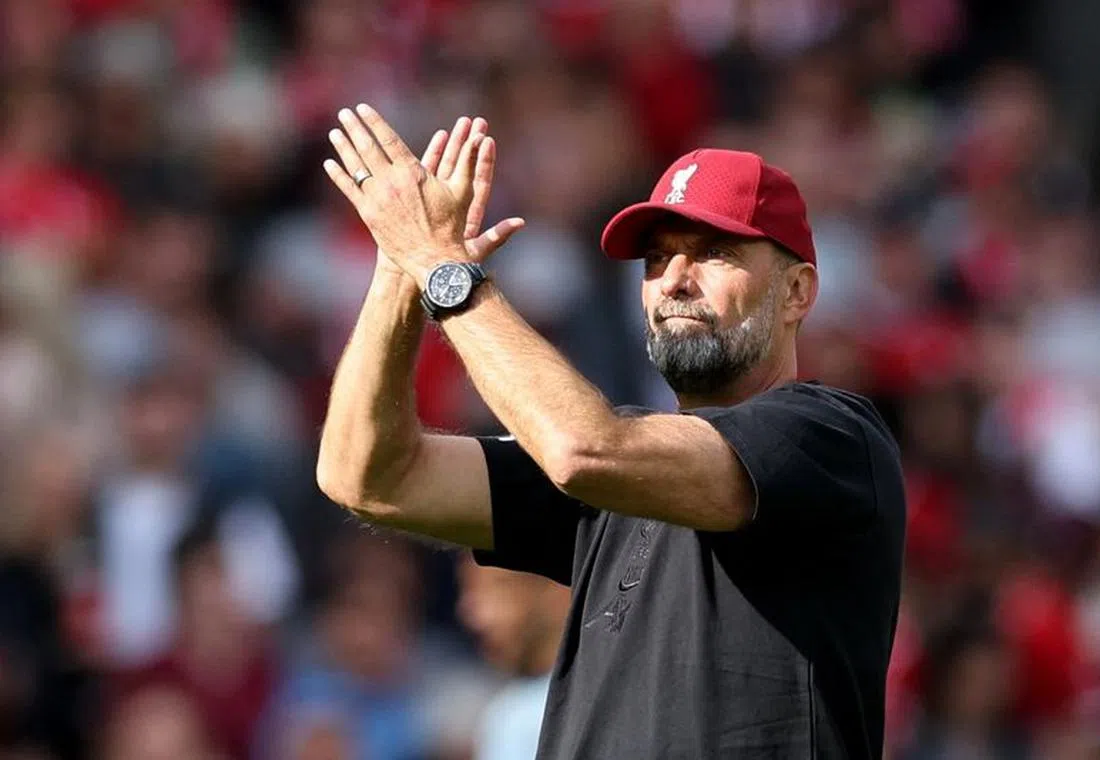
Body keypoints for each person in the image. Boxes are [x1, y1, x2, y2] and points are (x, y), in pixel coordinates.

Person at [315, 107, 906, 759]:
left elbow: (582, 450)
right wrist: (401, 270)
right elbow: (369, 476)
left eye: (714, 253)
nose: (675, 279)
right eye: (656, 260)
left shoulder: (831, 438)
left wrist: (444, 271)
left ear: (797, 292)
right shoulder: (619, 467)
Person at [456, 553, 570, 760]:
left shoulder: (517, 720)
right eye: (468, 590)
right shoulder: (507, 713)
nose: (474, 616)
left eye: (497, 588)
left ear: (558, 589)